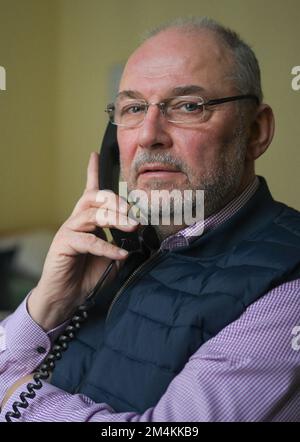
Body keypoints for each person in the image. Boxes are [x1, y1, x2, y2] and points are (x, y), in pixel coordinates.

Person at [1, 17, 300, 422]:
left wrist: (14, 399)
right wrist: (48, 303)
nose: (148, 135)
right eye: (134, 108)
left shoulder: (288, 286)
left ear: (256, 131)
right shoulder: (122, 252)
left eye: (188, 106)